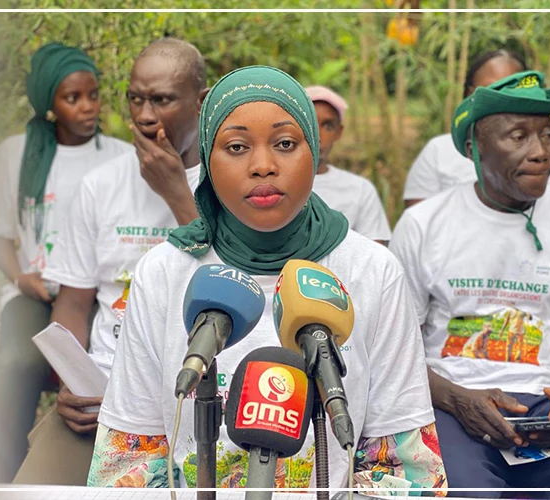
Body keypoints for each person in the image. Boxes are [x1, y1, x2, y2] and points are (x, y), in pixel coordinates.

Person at [86, 66, 447, 493]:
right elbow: (129, 464)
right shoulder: (163, 272)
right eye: (236, 146)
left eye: (286, 144)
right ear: (207, 157)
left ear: (313, 150)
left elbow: (406, 473)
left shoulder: (372, 271)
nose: (262, 166)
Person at [389, 71, 550, 498]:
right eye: (517, 136)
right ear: (472, 149)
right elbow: (394, 351)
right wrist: (458, 399)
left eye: (547, 134)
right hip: (450, 403)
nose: (541, 153)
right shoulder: (426, 225)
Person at [11, 38, 208, 485]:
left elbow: (233, 281)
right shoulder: (101, 185)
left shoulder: (231, 183)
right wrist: (71, 383)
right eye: (136, 98)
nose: (144, 115)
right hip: (103, 395)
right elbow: (75, 303)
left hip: (195, 393)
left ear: (201, 102)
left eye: (161, 100)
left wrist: (177, 194)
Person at [0, 42, 132, 483]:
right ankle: (4, 469)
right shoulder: (15, 153)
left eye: (93, 94)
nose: (88, 107)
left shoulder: (119, 158)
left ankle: (107, 466)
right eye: (72, 98)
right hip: (36, 292)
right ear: (50, 104)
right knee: (16, 363)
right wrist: (21, 278)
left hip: (95, 294)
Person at [403, 49, 550, 208]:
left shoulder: (544, 155)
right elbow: (420, 216)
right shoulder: (438, 151)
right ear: (469, 92)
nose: (503, 97)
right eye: (493, 89)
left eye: (512, 88)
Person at [302, 85, 392, 243]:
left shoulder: (361, 190)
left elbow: (375, 257)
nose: (318, 135)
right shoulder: (271, 184)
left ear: (339, 132)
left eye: (328, 126)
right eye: (310, 123)